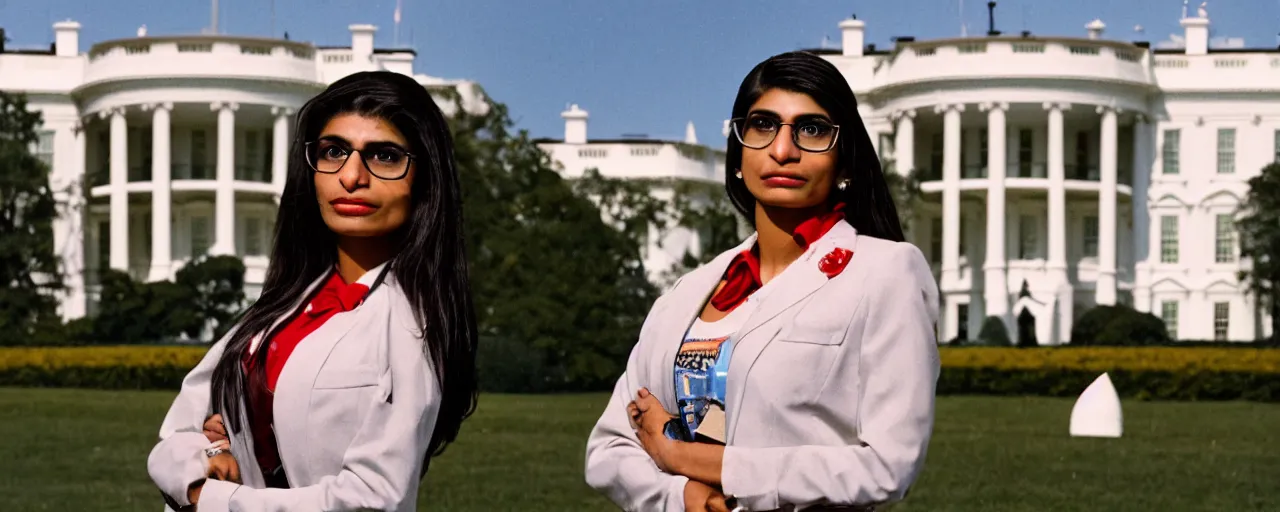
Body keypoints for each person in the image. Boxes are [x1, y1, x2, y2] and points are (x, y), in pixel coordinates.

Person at [584, 51, 941, 512]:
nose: (783, 150)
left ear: (846, 162)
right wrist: (681, 496)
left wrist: (691, 458)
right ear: (738, 155)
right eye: (763, 125)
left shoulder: (885, 272)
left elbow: (888, 466)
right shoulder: (687, 293)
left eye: (811, 129)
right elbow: (609, 448)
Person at [146, 71, 479, 511]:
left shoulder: (410, 326)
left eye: (384, 156)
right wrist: (211, 455)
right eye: (334, 152)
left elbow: (370, 499)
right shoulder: (280, 307)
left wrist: (213, 498)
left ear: (424, 180)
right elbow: (178, 434)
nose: (352, 176)